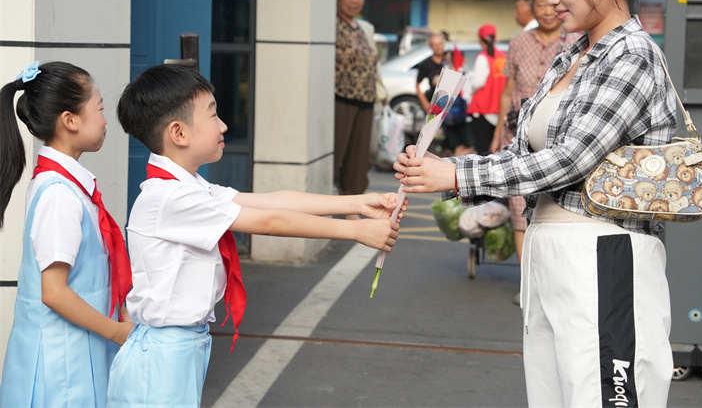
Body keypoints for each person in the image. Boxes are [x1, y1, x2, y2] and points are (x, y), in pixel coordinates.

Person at [394, 0, 678, 407]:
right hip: (552, 251)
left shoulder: (632, 54)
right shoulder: (573, 54)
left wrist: (456, 174)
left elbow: (570, 158)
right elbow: (525, 148)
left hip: (604, 253)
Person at [108, 64, 404, 406]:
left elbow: (272, 202)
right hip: (163, 354)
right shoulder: (170, 197)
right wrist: (355, 229)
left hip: (177, 348)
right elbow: (271, 221)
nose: (224, 125)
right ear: (179, 133)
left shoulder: (187, 188)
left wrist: (360, 202)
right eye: (213, 115)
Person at [0, 61, 133, 407]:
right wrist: (116, 332)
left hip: (72, 358)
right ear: (70, 121)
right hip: (61, 371)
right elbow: (54, 293)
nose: (105, 120)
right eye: (99, 108)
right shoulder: (59, 196)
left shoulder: (67, 187)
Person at [490, 0, 581, 305]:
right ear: (532, 9)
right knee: (518, 208)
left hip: (557, 139)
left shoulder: (575, 43)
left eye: (551, 4)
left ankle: (554, 284)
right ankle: (527, 282)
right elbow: (507, 90)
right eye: (539, 5)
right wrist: (497, 132)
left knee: (553, 207)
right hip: (516, 135)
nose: (546, 10)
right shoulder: (517, 43)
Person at [334, 0, 378, 197]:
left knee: (359, 159)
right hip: (341, 99)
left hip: (366, 100)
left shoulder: (363, 28)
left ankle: (352, 203)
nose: (355, 0)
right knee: (337, 154)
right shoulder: (331, 24)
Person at [465, 24, 507, 156]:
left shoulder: (482, 57)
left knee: (482, 150)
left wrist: (468, 92)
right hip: (499, 109)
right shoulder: (502, 56)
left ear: (480, 39)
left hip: (482, 108)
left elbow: (478, 82)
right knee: (496, 150)